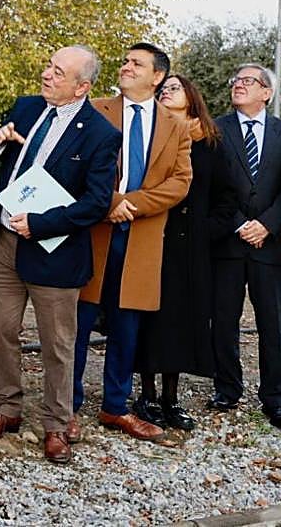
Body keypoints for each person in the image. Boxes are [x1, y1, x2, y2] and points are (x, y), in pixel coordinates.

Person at [0, 46, 119, 464]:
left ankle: (56, 425)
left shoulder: (101, 135)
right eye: (49, 66)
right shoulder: (28, 107)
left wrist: (41, 224)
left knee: (57, 344)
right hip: (5, 243)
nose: (46, 75)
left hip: (55, 252)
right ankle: (8, 409)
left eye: (58, 72)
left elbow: (96, 203)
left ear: (82, 87)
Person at [73, 42, 192, 442]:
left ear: (156, 76)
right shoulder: (94, 111)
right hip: (93, 232)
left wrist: (132, 205)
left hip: (140, 238)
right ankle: (66, 406)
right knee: (78, 322)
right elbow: (74, 165)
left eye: (136, 63)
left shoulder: (175, 125)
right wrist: (106, 203)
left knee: (127, 328)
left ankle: (115, 407)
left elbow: (180, 182)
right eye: (124, 60)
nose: (125, 67)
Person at [207, 64, 281, 432]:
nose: (239, 85)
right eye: (236, 80)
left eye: (248, 81)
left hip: (270, 243)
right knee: (222, 321)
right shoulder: (214, 130)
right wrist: (240, 223)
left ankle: (276, 398)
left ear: (267, 93)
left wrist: (267, 224)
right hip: (227, 241)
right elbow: (208, 185)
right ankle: (227, 388)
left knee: (273, 325)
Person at [132, 73, 218, 430]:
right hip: (152, 235)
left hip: (191, 246)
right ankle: (146, 394)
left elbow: (223, 196)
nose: (167, 92)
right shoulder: (150, 133)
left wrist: (207, 231)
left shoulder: (210, 142)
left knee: (181, 320)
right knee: (148, 318)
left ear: (191, 96)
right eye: (163, 88)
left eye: (175, 88)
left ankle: (171, 397)